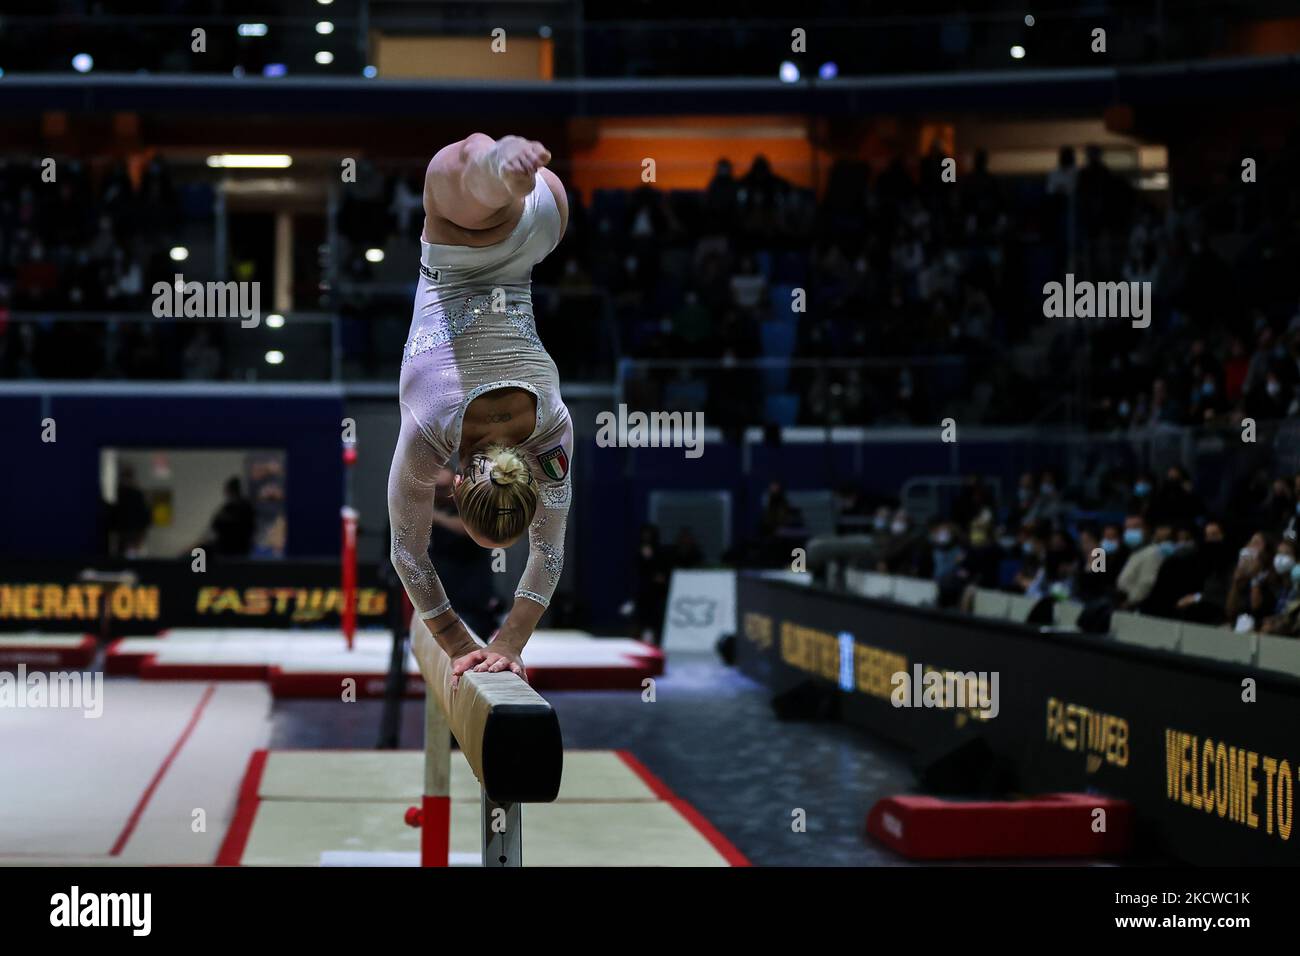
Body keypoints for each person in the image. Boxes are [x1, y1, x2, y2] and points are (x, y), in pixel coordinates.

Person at [387, 133, 570, 686]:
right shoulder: (429, 434)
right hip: (460, 251)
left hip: (545, 221)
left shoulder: (552, 431)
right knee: (461, 176)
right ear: (459, 481)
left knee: (481, 183)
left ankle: (502, 169)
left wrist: (512, 642)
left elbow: (549, 553)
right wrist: (461, 643)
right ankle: (495, 165)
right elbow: (409, 556)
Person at [207, 476, 255, 557]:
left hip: (233, 549)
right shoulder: (230, 508)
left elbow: (217, 524)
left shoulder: (239, 508)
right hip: (237, 549)